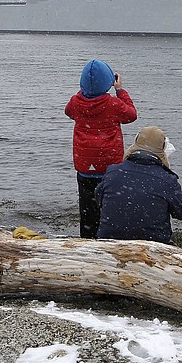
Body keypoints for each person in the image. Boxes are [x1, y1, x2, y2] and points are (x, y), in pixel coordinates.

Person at [65, 59, 138, 238]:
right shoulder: (113, 104)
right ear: (108, 82)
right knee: (110, 207)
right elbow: (131, 115)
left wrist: (85, 91)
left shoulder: (76, 102)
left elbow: (68, 112)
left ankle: (87, 239)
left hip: (85, 168)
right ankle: (109, 240)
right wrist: (120, 90)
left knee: (87, 209)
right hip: (109, 167)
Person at [95, 126, 182, 244]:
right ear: (162, 150)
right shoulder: (166, 179)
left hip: (109, 240)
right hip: (153, 243)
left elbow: (98, 200)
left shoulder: (113, 172)